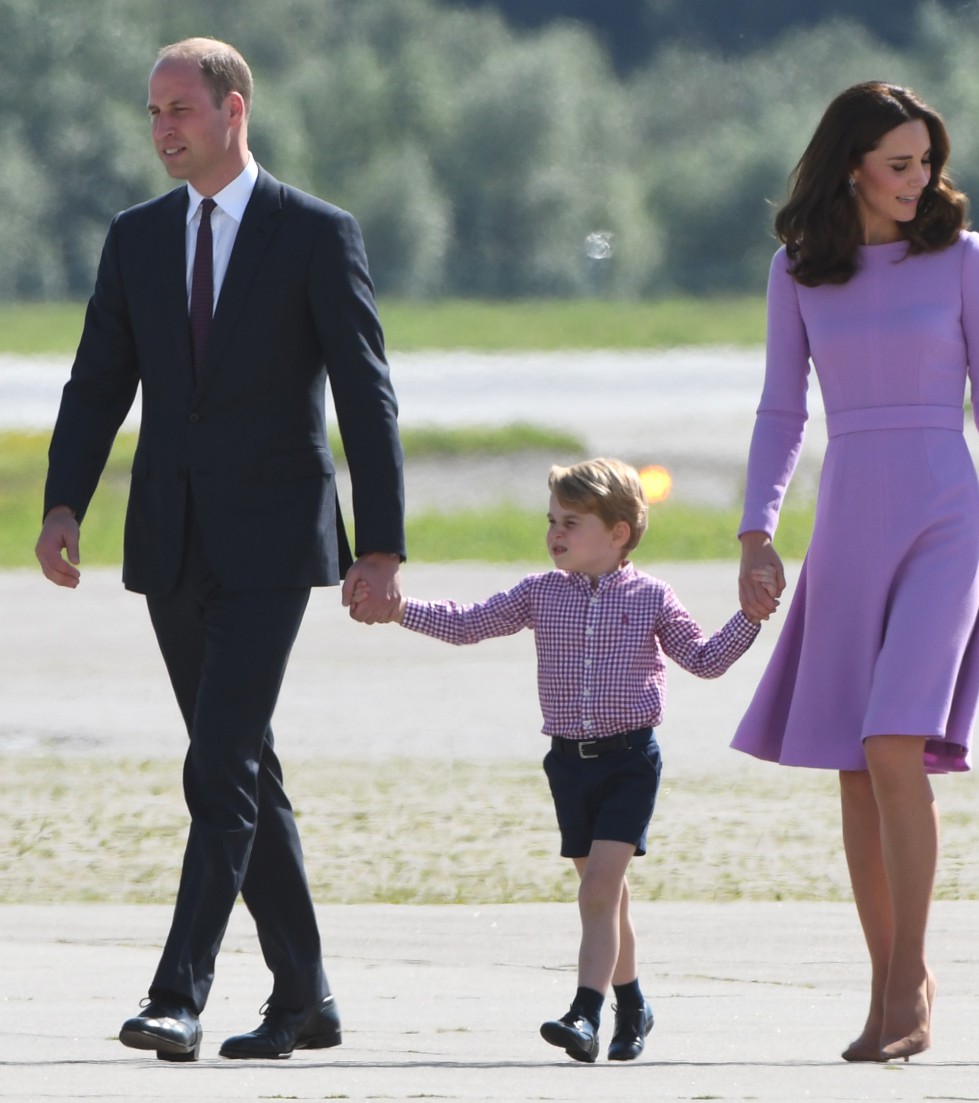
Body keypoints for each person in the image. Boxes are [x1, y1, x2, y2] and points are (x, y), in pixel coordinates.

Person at [34, 38, 406, 1062]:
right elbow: (97, 381)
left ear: (234, 109)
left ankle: (177, 993)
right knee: (241, 765)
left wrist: (380, 544)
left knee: (219, 761)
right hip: (170, 536)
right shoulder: (137, 236)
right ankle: (307, 995)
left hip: (276, 539)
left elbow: (367, 394)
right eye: (153, 113)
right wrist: (64, 502)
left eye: (180, 110)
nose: (163, 130)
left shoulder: (315, 233)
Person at [731, 80, 979, 1064]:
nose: (920, 179)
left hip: (942, 520)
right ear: (852, 168)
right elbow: (779, 409)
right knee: (853, 767)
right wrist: (756, 530)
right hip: (847, 523)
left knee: (891, 745)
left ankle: (911, 978)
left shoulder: (962, 257)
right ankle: (884, 985)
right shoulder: (797, 270)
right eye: (899, 164)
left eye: (926, 162)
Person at [361, 458, 763, 1063]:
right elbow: (468, 624)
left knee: (599, 891)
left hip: (629, 762)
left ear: (619, 532)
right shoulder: (540, 592)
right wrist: (399, 609)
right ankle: (634, 1006)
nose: (555, 533)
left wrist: (751, 616)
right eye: (552, 521)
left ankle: (584, 1014)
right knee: (607, 897)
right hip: (569, 765)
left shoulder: (652, 597)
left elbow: (705, 660)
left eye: (571, 523)